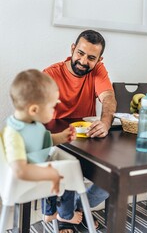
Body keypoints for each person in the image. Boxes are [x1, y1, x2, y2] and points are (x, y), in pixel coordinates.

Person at [42, 30, 117, 232]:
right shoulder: (51, 74)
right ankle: (65, 216)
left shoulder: (98, 70)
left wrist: (106, 122)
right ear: (73, 49)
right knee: (66, 166)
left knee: (113, 175)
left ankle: (77, 205)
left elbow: (108, 97)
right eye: (81, 53)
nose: (84, 61)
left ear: (99, 60)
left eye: (91, 58)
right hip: (58, 141)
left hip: (88, 140)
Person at [2, 70, 83, 233]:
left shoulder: (32, 125)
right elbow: (20, 170)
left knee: (63, 165)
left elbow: (44, 140)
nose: (55, 110)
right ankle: (64, 213)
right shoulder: (13, 134)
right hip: (23, 185)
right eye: (52, 106)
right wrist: (50, 174)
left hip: (38, 175)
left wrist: (62, 136)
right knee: (68, 174)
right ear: (34, 109)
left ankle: (52, 212)